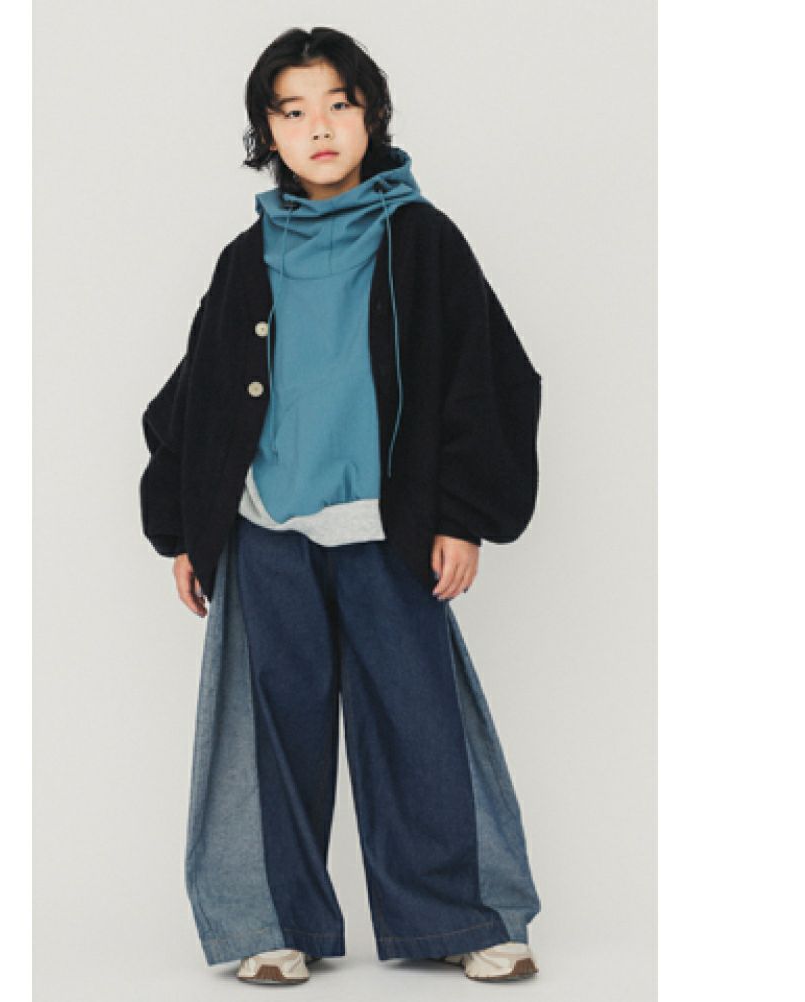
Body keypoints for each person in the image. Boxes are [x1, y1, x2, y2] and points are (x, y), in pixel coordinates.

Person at [139, 26, 543, 985]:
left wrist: (461, 514)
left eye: (338, 105)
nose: (318, 128)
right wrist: (185, 528)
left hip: (386, 530)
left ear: (372, 116)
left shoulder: (423, 241)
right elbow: (197, 396)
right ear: (267, 131)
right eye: (294, 111)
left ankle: (458, 915)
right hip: (265, 530)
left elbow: (487, 377)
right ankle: (272, 924)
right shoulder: (247, 257)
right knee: (271, 736)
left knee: (419, 724)